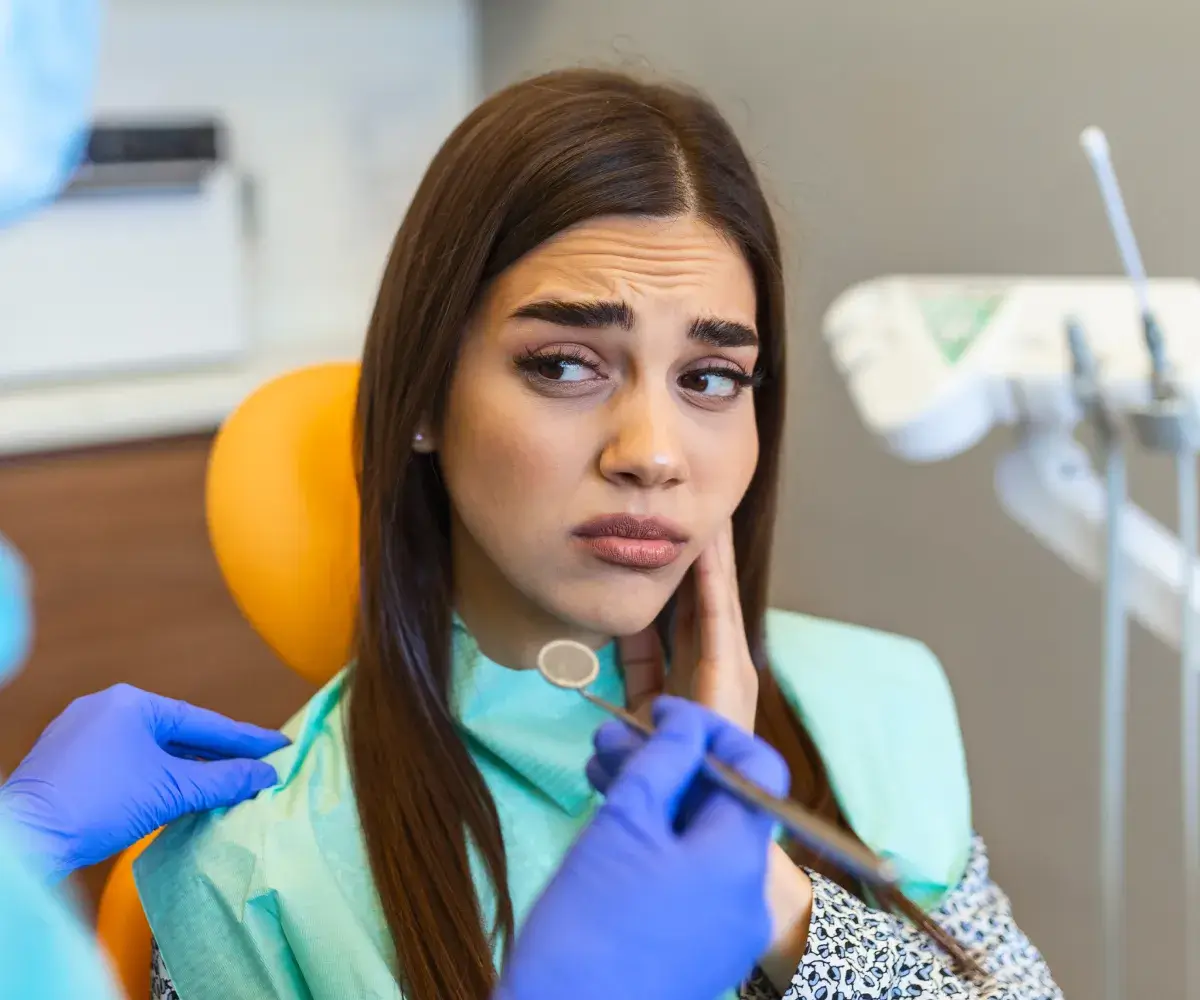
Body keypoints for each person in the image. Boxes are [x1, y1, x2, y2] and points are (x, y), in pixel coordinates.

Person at [135, 68, 1061, 1000]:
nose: (654, 455)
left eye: (709, 378)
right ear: (422, 393)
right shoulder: (255, 871)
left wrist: (776, 900)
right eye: (566, 364)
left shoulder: (876, 704)